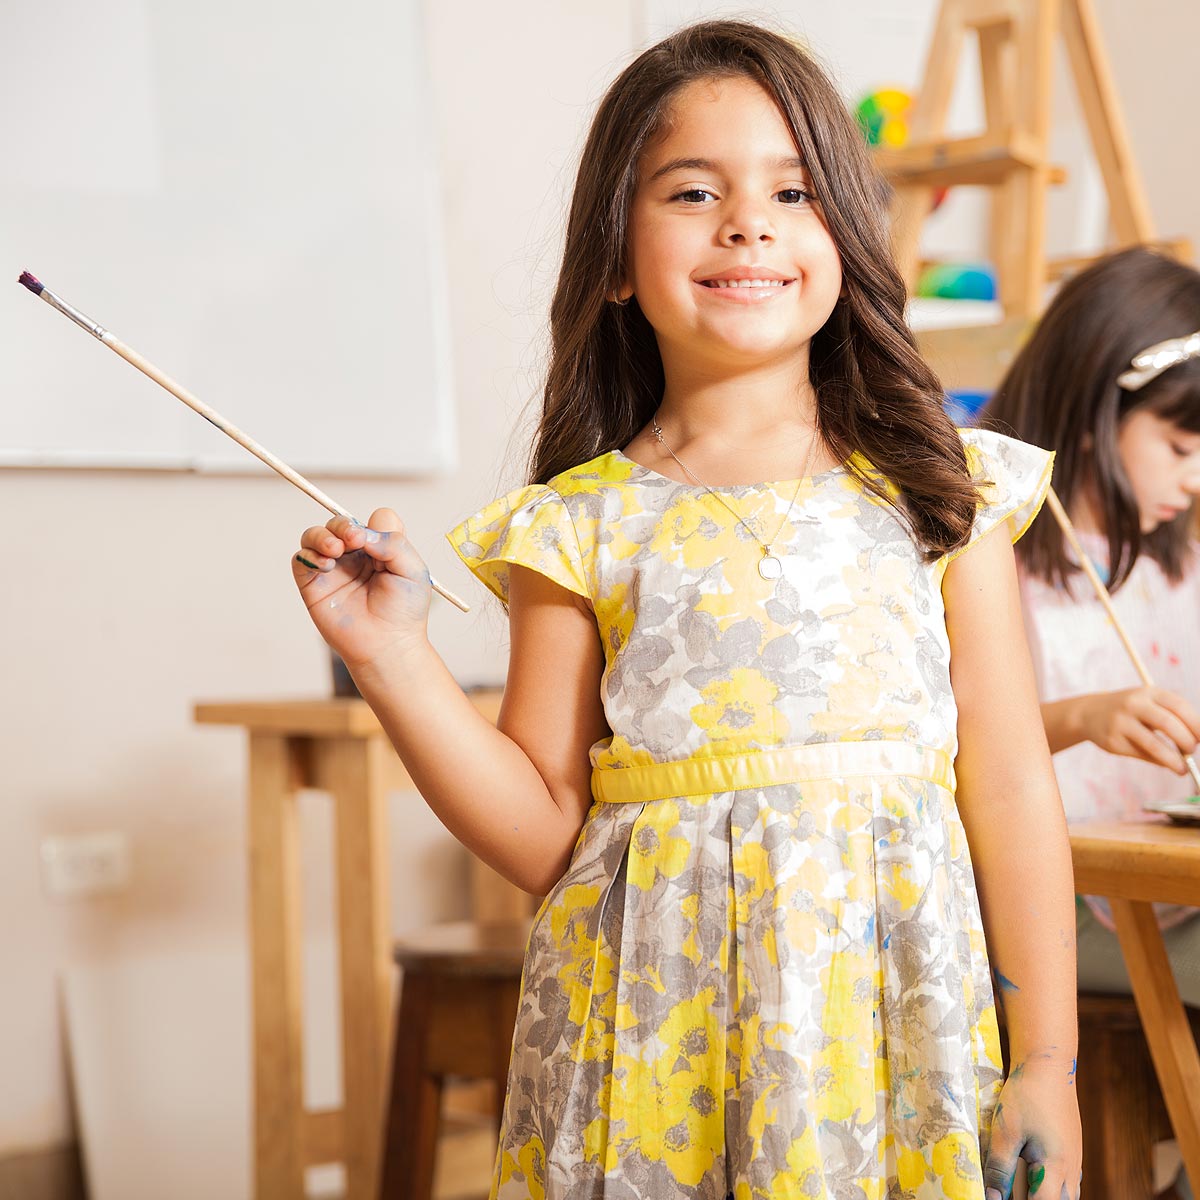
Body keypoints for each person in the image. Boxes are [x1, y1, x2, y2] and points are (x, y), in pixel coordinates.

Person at [293, 21, 1080, 1199]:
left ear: (847, 239)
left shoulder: (939, 490)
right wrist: (391, 656)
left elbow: (1010, 783)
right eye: (693, 190)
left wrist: (1052, 1060)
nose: (747, 222)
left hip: (887, 1037)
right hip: (646, 1044)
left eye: (794, 189)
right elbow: (543, 831)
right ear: (615, 259)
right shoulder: (579, 526)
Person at [984, 247, 1200, 1009]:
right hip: (1057, 904)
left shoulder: (1184, 568)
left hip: (1169, 887)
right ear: (1091, 416)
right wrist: (1085, 717)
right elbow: (949, 753)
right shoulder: (990, 561)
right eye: (1179, 447)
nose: (1196, 477)